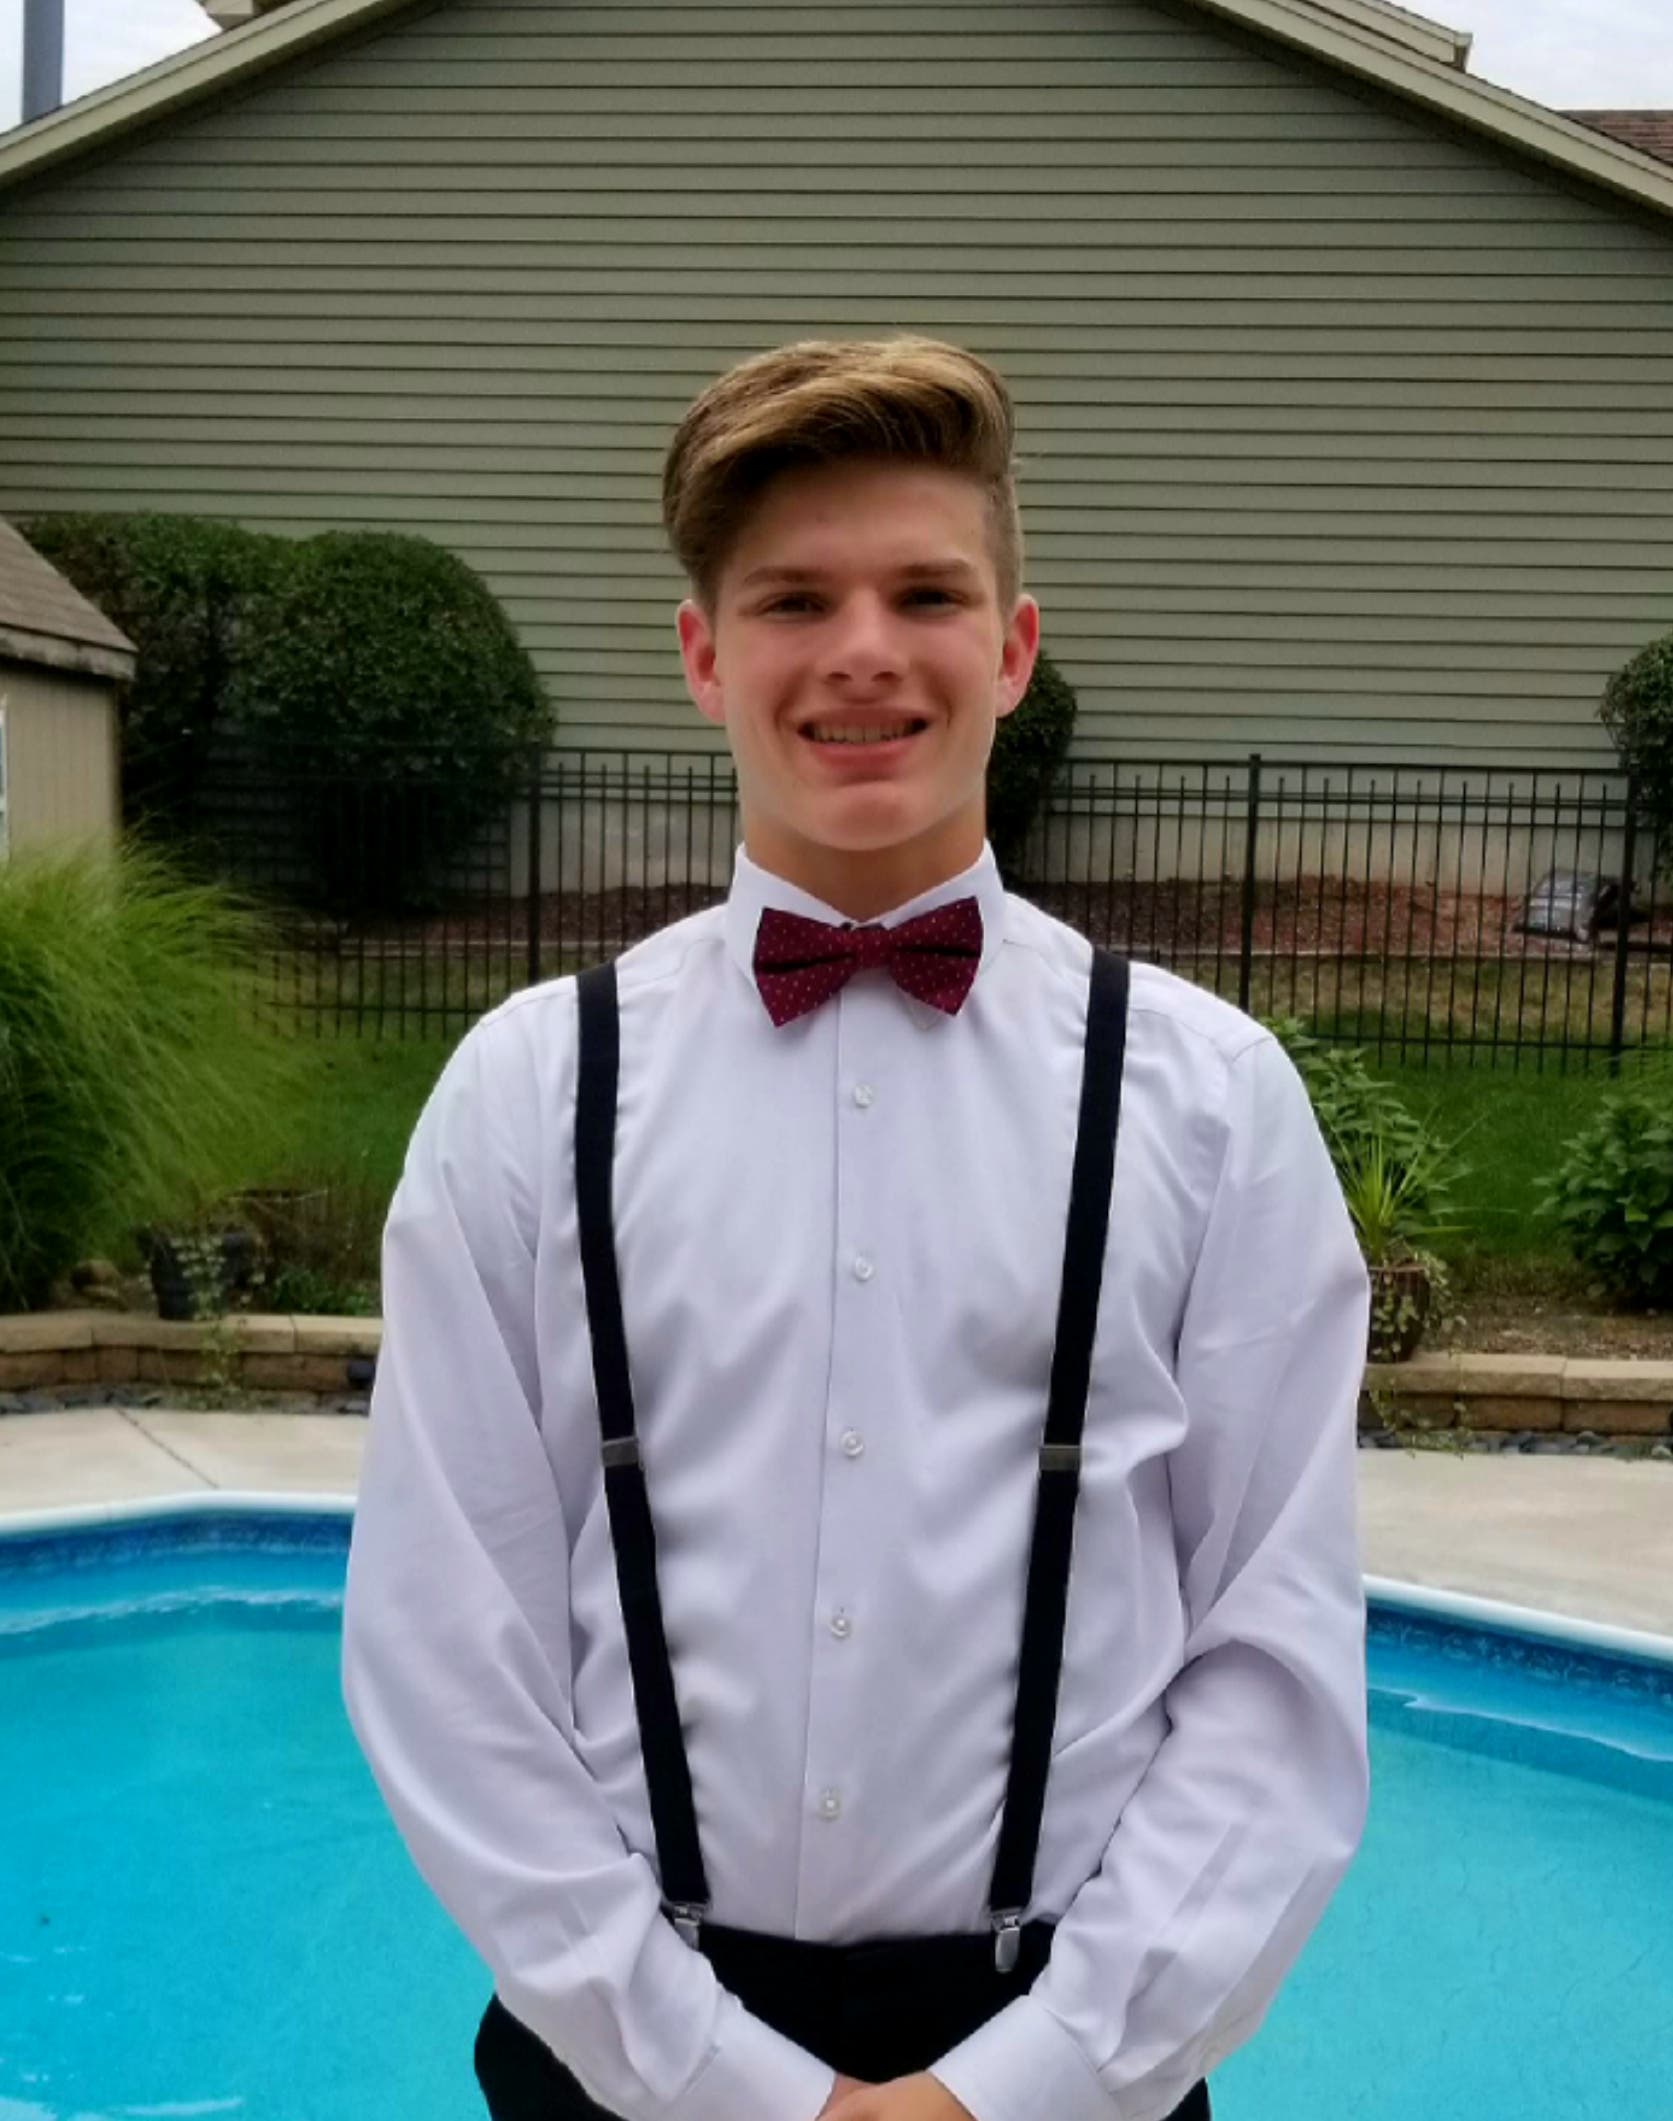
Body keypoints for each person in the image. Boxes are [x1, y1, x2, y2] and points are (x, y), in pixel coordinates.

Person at [341, 335, 1371, 2121]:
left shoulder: (1209, 1100)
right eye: (794, 599)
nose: (864, 649)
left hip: (1074, 2058)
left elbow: (1273, 1654)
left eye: (925, 592)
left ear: (1013, 647)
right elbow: (447, 1645)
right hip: (627, 2059)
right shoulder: (529, 1092)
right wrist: (724, 2079)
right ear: (702, 654)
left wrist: (1030, 2080)